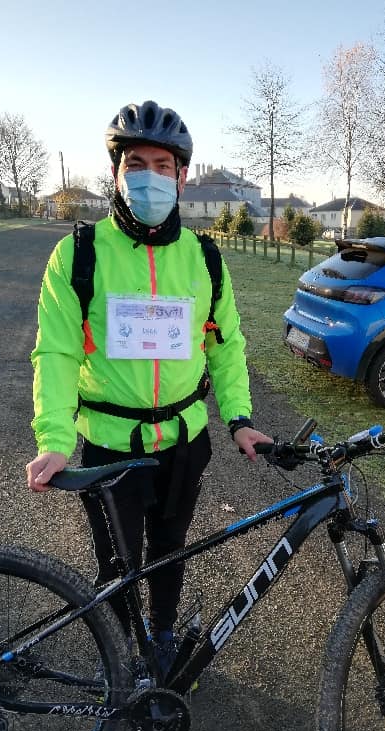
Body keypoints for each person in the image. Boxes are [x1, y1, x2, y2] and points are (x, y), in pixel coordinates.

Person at [26, 100, 272, 672]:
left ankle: (160, 637)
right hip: (111, 445)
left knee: (169, 549)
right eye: (135, 164)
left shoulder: (205, 257)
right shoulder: (79, 253)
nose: (150, 177)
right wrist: (54, 439)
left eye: (163, 166)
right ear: (116, 174)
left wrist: (239, 418)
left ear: (182, 177)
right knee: (117, 564)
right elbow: (56, 353)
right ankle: (117, 657)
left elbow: (225, 344)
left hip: (184, 442)